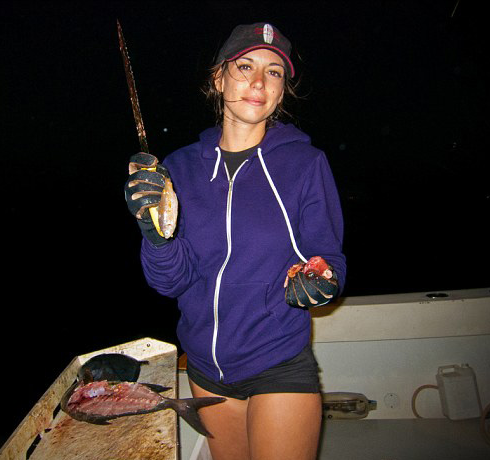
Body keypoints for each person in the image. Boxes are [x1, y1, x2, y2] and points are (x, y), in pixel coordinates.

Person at [125, 22, 346, 460]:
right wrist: (157, 235)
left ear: (282, 91)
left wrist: (321, 281)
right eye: (245, 67)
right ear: (218, 79)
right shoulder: (179, 169)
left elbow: (328, 259)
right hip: (204, 371)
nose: (259, 82)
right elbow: (171, 282)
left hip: (277, 361)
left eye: (273, 72)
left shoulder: (305, 164)